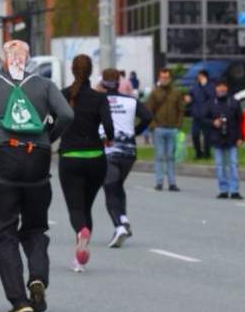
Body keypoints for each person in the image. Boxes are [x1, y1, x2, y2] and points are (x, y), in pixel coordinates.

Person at [0, 40, 74, 312]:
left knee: (3, 232)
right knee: (36, 227)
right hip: (37, 159)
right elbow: (66, 114)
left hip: (5, 159)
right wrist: (48, 138)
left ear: (5, 59)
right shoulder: (44, 84)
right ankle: (37, 277)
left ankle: (19, 300)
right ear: (28, 60)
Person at [58, 55, 114, 272]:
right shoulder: (99, 98)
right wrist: (109, 139)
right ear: (92, 72)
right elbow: (109, 127)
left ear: (72, 70)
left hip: (71, 157)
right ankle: (79, 259)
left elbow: (54, 121)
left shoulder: (63, 95)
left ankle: (81, 232)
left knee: (75, 208)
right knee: (86, 206)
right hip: (96, 159)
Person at [99, 68, 151, 248]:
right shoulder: (131, 101)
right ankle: (123, 216)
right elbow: (147, 116)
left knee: (109, 188)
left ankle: (119, 225)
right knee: (118, 185)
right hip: (129, 152)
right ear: (119, 83)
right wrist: (135, 132)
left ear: (103, 82)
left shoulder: (100, 101)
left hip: (108, 151)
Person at [145, 67, 185, 191]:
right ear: (159, 78)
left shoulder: (176, 93)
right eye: (162, 77)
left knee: (170, 157)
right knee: (159, 156)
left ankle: (172, 183)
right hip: (159, 129)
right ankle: (159, 182)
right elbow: (148, 111)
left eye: (167, 77)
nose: (164, 79)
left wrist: (178, 125)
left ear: (170, 78)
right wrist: (153, 126)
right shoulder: (155, 93)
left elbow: (180, 110)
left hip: (172, 129)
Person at [204, 80, 244, 199]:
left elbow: (240, 121)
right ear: (216, 89)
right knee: (220, 165)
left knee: (233, 164)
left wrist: (240, 137)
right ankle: (223, 189)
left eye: (223, 87)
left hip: (232, 137)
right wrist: (213, 122)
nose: (221, 89)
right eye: (219, 87)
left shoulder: (234, 102)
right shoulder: (211, 103)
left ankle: (234, 189)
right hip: (217, 138)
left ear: (226, 88)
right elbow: (203, 118)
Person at [186, 69, 214, 159]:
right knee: (195, 135)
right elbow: (190, 95)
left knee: (207, 136)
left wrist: (205, 86)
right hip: (196, 115)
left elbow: (212, 96)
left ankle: (206, 153)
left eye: (201, 76)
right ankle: (198, 152)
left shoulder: (211, 86)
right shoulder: (195, 86)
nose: (199, 78)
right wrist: (188, 98)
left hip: (207, 115)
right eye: (199, 76)